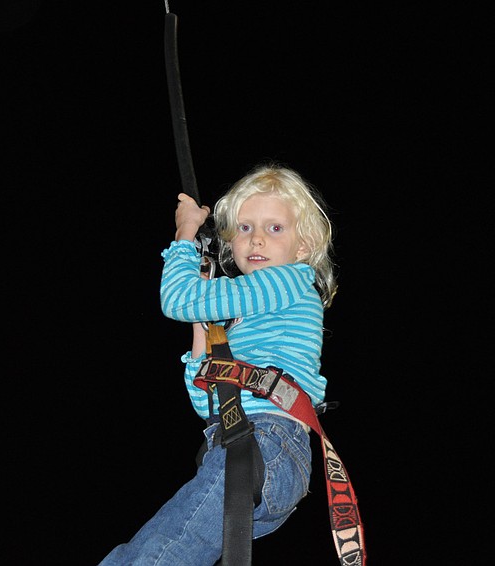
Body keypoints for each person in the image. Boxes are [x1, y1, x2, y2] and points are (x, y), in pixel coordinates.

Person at [99, 163, 338, 566]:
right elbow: (204, 400)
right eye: (244, 227)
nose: (257, 237)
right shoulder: (251, 314)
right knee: (173, 548)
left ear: (303, 247)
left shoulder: (288, 280)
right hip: (244, 444)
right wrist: (203, 325)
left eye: (274, 228)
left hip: (268, 441)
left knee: (160, 549)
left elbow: (177, 300)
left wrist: (185, 234)